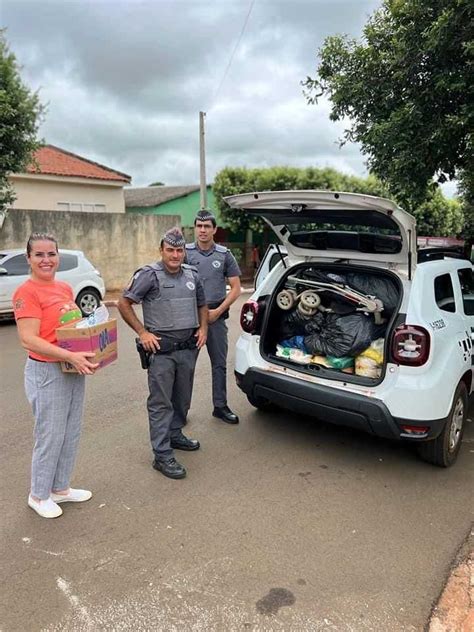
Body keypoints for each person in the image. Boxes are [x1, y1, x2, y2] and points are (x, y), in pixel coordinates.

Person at [13, 232, 99, 519]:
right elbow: (29, 339)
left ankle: (60, 488)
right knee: (50, 434)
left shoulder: (63, 287)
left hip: (71, 366)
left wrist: (91, 348)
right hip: (47, 370)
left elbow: (70, 327)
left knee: (70, 430)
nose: (46, 259)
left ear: (58, 256)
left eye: (51, 254)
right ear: (28, 258)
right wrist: (69, 356)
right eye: (39, 254)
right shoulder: (26, 292)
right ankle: (38, 494)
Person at [118, 227, 208, 480]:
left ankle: (175, 434)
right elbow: (123, 303)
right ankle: (162, 455)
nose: (176, 255)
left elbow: (202, 304)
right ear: (162, 250)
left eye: (179, 250)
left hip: (188, 348)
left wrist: (203, 329)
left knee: (182, 398)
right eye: (170, 250)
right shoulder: (149, 275)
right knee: (160, 403)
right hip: (162, 351)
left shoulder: (192, 274)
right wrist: (142, 332)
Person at [186, 210, 242, 424]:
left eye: (207, 226)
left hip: (216, 317)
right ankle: (181, 411)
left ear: (214, 229)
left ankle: (220, 406)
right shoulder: (185, 252)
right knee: (186, 367)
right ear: (195, 228)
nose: (202, 230)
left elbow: (236, 288)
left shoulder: (224, 254)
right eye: (199, 226)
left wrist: (218, 311)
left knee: (219, 364)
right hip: (191, 320)